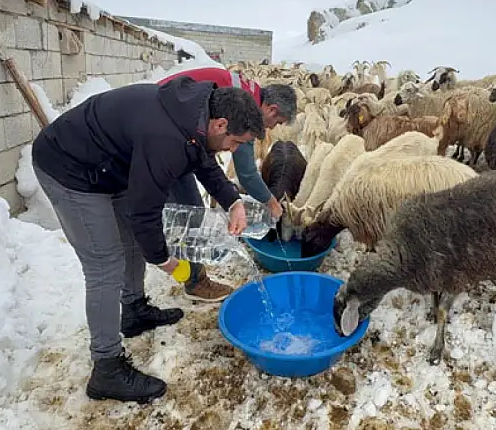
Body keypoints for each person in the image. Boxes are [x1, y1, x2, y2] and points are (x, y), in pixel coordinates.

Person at [31, 76, 265, 403]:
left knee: (129, 244)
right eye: (237, 142)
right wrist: (164, 260)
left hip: (108, 166)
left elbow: (204, 162)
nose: (235, 150)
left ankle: (133, 310)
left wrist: (234, 202)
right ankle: (107, 368)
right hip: (70, 169)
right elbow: (145, 211)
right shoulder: (165, 138)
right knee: (105, 264)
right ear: (220, 124)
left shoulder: (196, 115)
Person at [156, 66, 297, 301]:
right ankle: (194, 281)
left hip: (169, 122)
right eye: (277, 122)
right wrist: (271, 202)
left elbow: (208, 163)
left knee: (191, 202)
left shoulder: (245, 90)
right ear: (271, 109)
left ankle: (188, 273)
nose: (272, 129)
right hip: (162, 135)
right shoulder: (245, 112)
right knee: (188, 211)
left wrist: (233, 200)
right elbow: (247, 173)